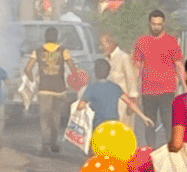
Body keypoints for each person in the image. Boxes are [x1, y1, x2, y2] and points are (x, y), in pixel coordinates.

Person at [130, 10, 184, 148]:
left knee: (168, 123)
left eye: (159, 24)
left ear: (163, 24)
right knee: (149, 123)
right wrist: (133, 89)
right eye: (154, 24)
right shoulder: (142, 42)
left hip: (167, 90)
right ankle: (151, 151)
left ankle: (170, 151)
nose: (156, 27)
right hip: (148, 91)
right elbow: (136, 66)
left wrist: (185, 87)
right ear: (149, 24)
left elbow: (178, 65)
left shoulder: (171, 41)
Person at [31, 27, 74, 157]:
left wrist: (32, 80)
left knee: (44, 117)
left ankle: (45, 144)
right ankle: (54, 143)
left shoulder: (37, 50)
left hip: (44, 88)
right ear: (57, 37)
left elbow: (28, 68)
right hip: (59, 88)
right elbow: (72, 68)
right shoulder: (63, 50)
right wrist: (77, 81)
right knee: (55, 116)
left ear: (45, 36)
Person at [79, 58, 128, 145]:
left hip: (98, 124)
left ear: (95, 72)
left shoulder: (92, 88)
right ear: (108, 73)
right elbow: (129, 102)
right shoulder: (115, 87)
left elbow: (81, 106)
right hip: (114, 123)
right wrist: (143, 117)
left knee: (95, 148)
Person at [100, 31, 142, 131]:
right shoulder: (106, 59)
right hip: (109, 103)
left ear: (111, 43)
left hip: (123, 104)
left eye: (102, 44)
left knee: (124, 131)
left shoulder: (123, 57)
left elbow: (131, 80)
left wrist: (132, 102)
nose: (100, 48)